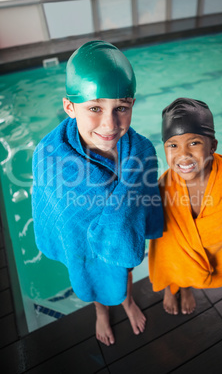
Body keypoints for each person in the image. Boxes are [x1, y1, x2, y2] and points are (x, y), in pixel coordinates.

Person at [32, 40, 163, 346]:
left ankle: (127, 301)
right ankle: (101, 312)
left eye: (121, 107)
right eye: (94, 108)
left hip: (122, 243)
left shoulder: (141, 151)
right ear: (70, 107)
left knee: (125, 266)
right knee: (88, 272)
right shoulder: (49, 156)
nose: (110, 124)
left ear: (131, 104)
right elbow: (53, 213)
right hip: (82, 250)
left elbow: (144, 202)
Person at [149, 98, 222, 316]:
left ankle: (186, 287)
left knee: (185, 263)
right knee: (170, 254)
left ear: (212, 145)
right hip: (177, 260)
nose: (183, 155)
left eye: (194, 143)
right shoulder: (164, 187)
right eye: (173, 145)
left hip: (204, 261)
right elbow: (165, 243)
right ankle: (171, 286)